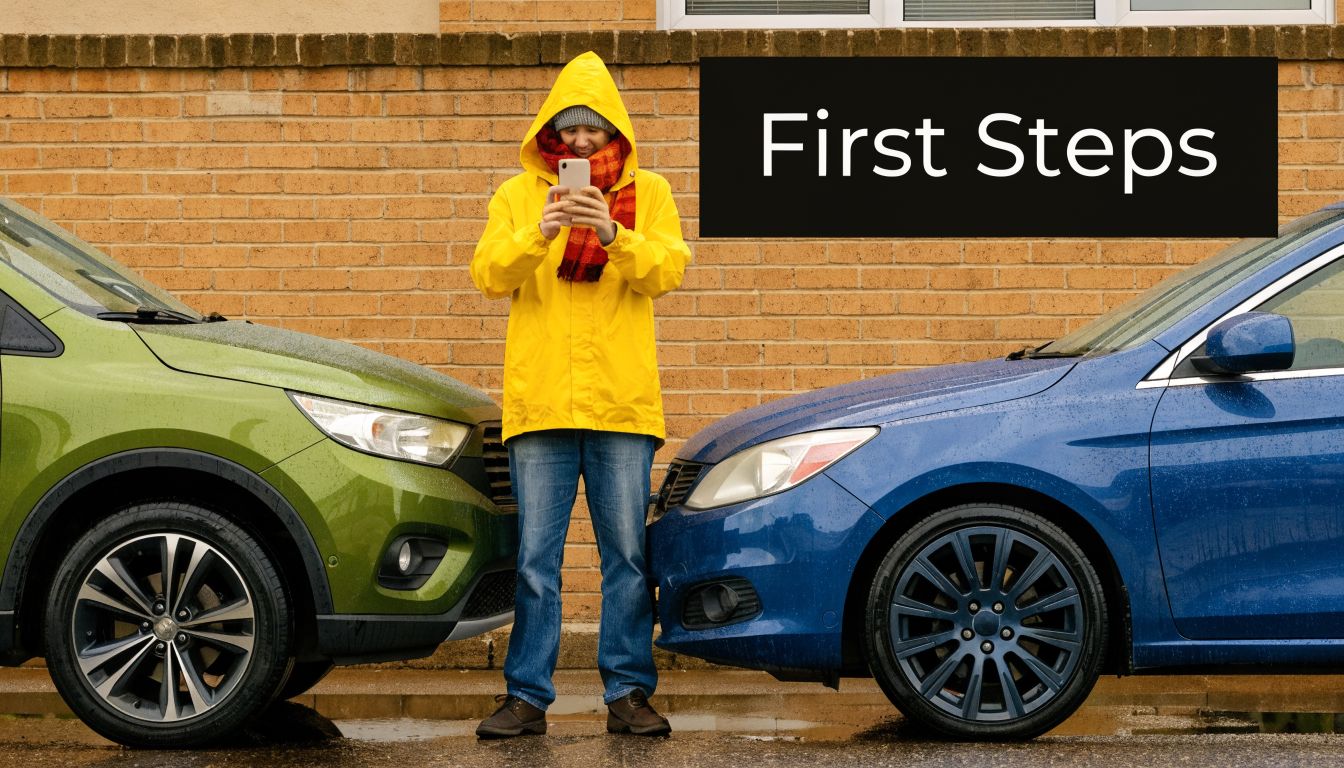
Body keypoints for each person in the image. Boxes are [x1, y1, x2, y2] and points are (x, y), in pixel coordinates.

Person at [469, 51, 691, 739]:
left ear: (615, 133)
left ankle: (628, 692)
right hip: (541, 407)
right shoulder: (516, 195)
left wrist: (610, 232)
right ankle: (526, 697)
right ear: (551, 134)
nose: (582, 142)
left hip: (621, 406)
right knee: (537, 559)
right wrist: (539, 232)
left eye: (595, 130)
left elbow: (667, 271)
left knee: (626, 557)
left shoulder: (647, 192)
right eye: (570, 129)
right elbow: (488, 274)